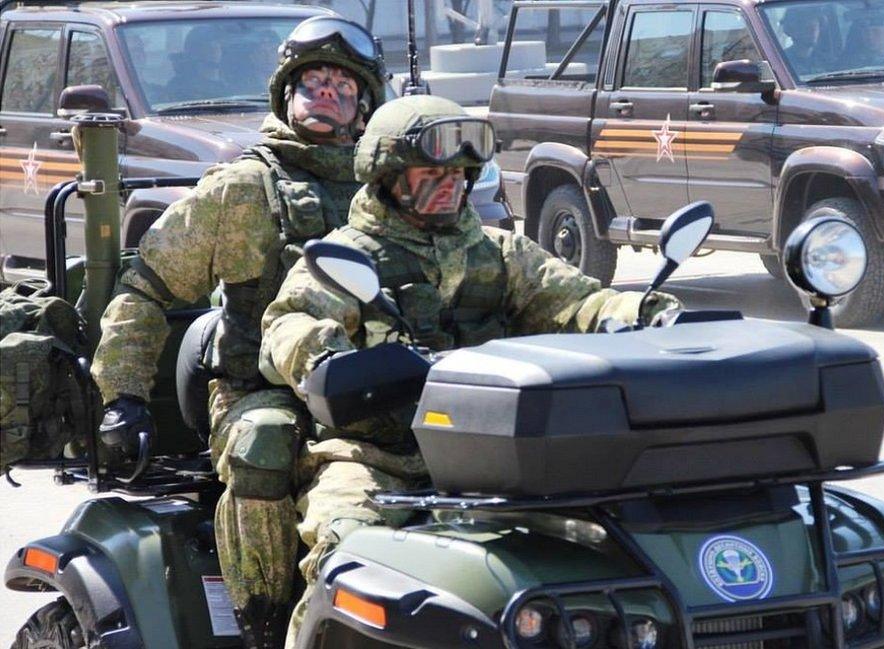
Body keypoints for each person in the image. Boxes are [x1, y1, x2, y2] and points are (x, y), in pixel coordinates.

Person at [258, 94, 683, 644]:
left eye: (461, 172)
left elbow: (578, 301)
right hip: (379, 460)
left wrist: (643, 314)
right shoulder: (347, 258)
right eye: (431, 171)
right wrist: (327, 360)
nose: (451, 183)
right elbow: (289, 326)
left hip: (500, 453)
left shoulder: (501, 251)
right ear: (388, 176)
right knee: (347, 556)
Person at [90, 16, 388, 648]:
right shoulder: (242, 187)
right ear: (286, 94)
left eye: (342, 85)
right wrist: (123, 398)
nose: (327, 95)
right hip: (261, 387)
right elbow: (148, 288)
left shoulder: (395, 186)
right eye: (313, 83)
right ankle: (266, 620)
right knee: (264, 444)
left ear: (366, 104)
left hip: (380, 382)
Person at [781, 5, 827, 76]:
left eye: (815, 27)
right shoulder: (781, 62)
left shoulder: (826, 60)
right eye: (807, 28)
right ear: (793, 30)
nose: (813, 32)